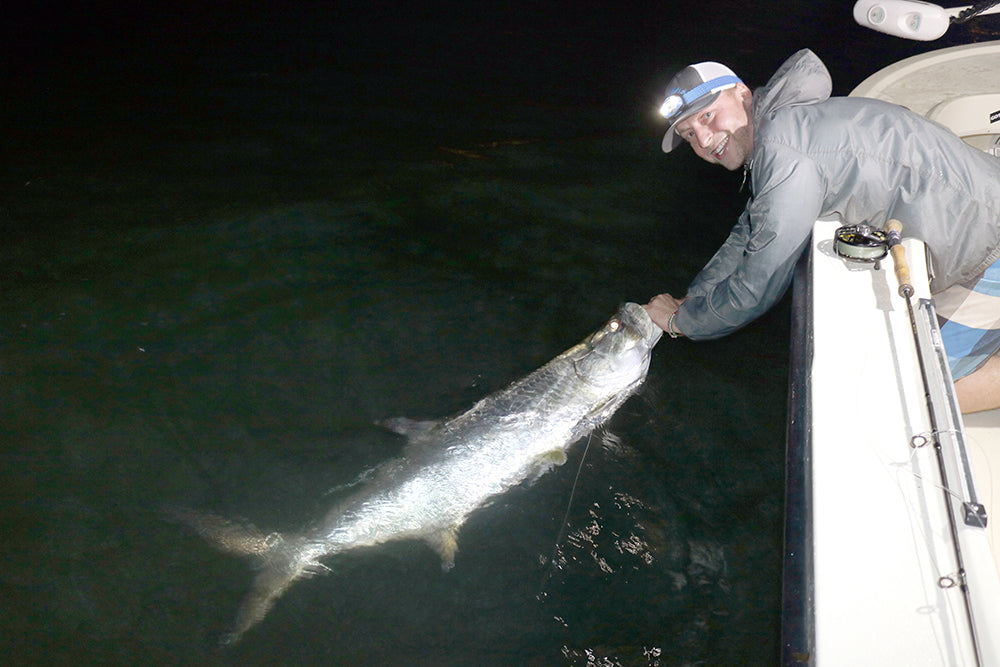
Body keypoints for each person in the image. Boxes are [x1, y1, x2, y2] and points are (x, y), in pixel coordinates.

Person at [644, 49, 1000, 413]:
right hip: (975, 218)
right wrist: (696, 296)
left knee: (908, 399)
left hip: (987, 246)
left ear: (742, 93)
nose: (703, 141)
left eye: (707, 115)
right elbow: (751, 230)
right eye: (689, 134)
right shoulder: (785, 125)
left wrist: (680, 322)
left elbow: (756, 288)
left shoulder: (785, 153)